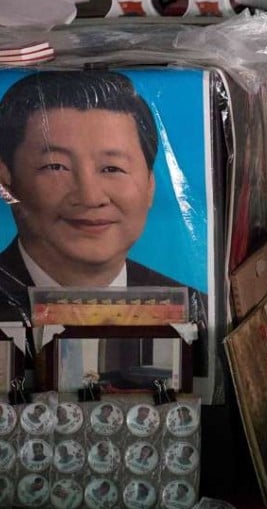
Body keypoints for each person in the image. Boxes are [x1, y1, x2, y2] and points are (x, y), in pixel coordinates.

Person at [0, 71, 198, 323]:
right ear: (6, 180)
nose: (90, 197)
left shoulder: (196, 310)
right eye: (56, 167)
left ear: (150, 185)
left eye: (112, 168)